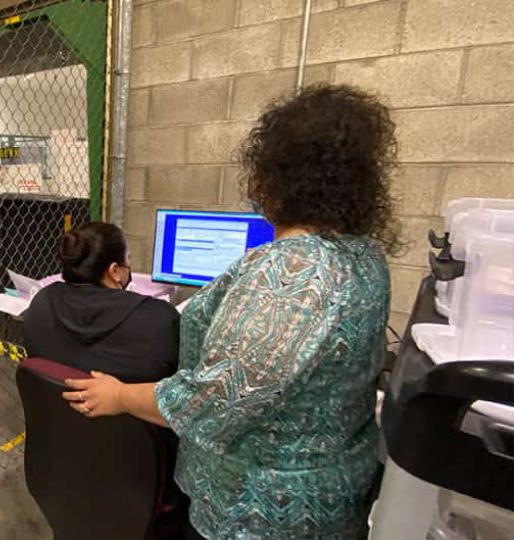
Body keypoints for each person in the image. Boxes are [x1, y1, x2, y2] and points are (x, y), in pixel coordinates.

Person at [63, 84, 400, 540]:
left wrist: (120, 397)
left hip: (257, 514)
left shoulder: (292, 273)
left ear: (275, 177)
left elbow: (215, 400)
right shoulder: (363, 256)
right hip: (332, 495)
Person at [23, 222, 179, 383]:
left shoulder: (42, 303)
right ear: (114, 271)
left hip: (53, 407)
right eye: (128, 258)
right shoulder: (160, 319)